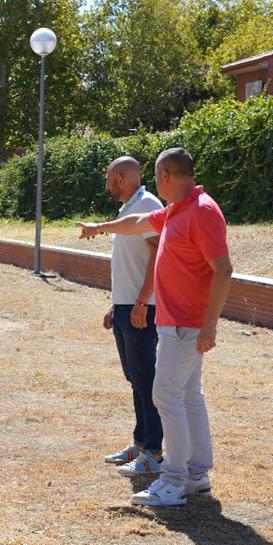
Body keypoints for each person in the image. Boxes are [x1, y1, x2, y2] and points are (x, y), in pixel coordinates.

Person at [78, 148, 233, 506]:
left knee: (165, 395)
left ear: (164, 175)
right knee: (189, 397)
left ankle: (174, 479)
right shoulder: (178, 209)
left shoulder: (202, 210)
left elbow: (223, 269)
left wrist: (210, 325)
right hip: (175, 322)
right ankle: (196, 475)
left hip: (185, 324)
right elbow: (138, 224)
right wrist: (100, 228)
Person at [97, 157, 165, 477]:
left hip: (142, 308)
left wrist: (140, 301)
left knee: (146, 379)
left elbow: (157, 252)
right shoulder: (128, 208)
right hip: (126, 306)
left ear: (121, 178)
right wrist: (117, 305)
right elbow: (129, 263)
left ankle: (153, 450)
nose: (108, 185)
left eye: (110, 179)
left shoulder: (148, 204)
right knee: (135, 378)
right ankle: (139, 443)